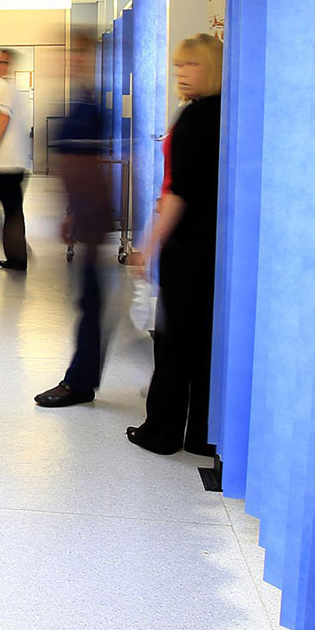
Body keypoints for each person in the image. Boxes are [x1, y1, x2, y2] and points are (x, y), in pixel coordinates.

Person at [127, 33, 224, 456]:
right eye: (178, 66)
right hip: (215, 245)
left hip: (189, 247)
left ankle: (160, 432)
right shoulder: (225, 113)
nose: (181, 74)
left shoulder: (195, 118)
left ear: (212, 68)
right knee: (204, 342)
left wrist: (148, 245)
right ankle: (204, 433)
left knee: (173, 342)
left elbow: (179, 194)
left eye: (191, 65)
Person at [36, 26, 115, 408]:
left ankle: (80, 382)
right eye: (70, 54)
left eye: (81, 54)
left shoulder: (89, 106)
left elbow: (89, 167)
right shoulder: (79, 101)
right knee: (90, 299)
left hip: (93, 215)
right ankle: (82, 377)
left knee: (92, 300)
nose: (72, 60)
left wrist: (85, 215)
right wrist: (70, 212)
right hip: (83, 212)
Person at [0, 49, 30, 272]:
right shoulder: (16, 91)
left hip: (7, 164)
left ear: (10, 66)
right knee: (11, 210)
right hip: (16, 162)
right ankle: (17, 252)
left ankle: (18, 254)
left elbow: (3, 119)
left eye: (3, 63)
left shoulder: (6, 89)